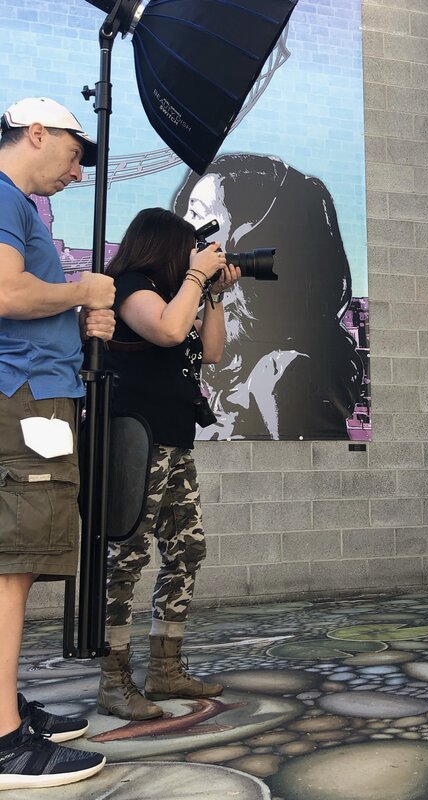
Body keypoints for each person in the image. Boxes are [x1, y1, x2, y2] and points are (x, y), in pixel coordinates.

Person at [0, 97, 116, 789]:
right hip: (24, 401)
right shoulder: (5, 196)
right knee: (11, 564)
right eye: (74, 154)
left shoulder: (19, 204)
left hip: (32, 394)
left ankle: (4, 710)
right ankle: (6, 743)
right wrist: (80, 290)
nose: (76, 172)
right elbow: (6, 293)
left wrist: (78, 322)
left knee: (16, 558)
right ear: (35, 133)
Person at [97, 208, 240, 719]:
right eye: (186, 250)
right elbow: (166, 332)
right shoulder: (129, 286)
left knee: (187, 551)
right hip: (136, 441)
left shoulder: (174, 294)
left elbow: (213, 352)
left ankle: (164, 669)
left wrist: (215, 295)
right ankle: (114, 678)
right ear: (162, 247)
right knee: (126, 559)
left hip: (176, 444)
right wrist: (197, 277)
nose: (192, 259)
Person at [172, 153, 364, 440]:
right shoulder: (229, 347)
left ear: (246, 242)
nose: (184, 224)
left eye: (198, 214)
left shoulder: (280, 372)